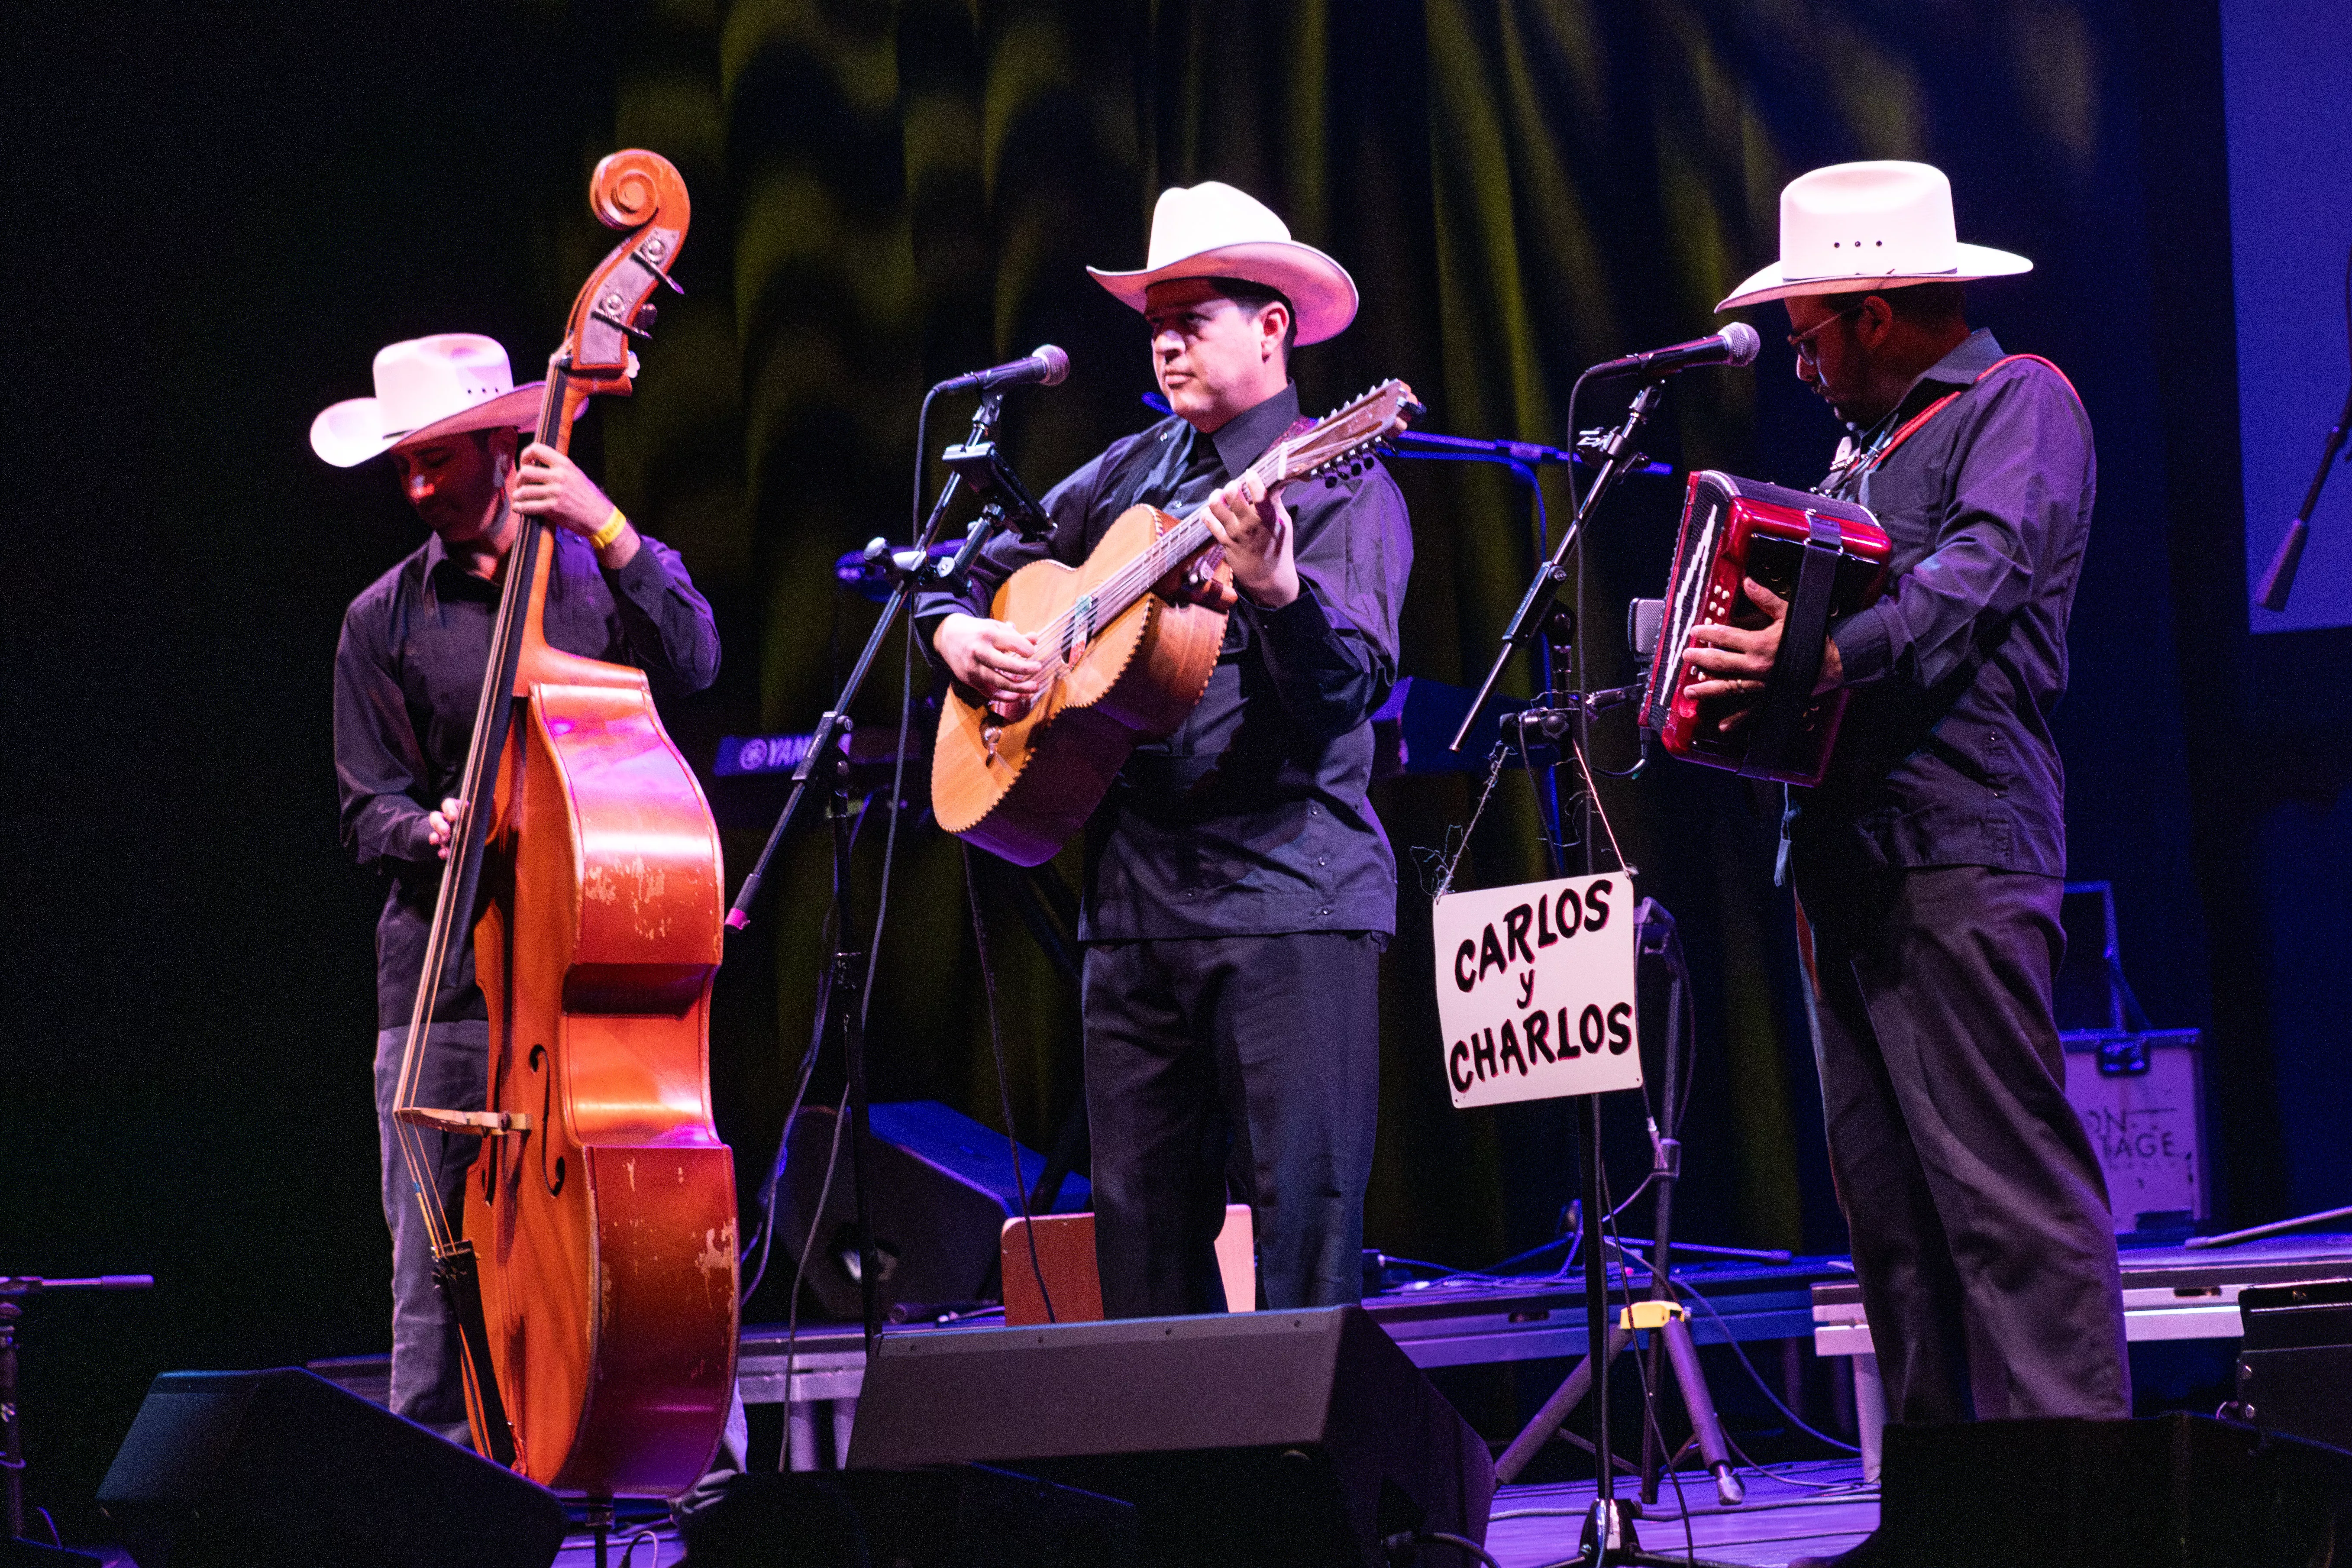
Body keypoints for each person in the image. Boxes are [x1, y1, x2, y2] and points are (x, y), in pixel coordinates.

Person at [1686, 162, 2129, 1554]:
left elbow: (1983, 568)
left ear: (1878, 312)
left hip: (1960, 846)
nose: (1803, 365)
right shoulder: (1859, 455)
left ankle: (2082, 1516)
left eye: (1811, 334)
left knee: (2008, 1203)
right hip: (1846, 869)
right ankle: (1943, 1517)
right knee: (1897, 1227)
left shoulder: (2022, 404)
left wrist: (1825, 653)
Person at [918, 183, 1413, 1317]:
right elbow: (964, 559)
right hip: (1135, 913)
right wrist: (956, 630)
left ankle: (1306, 1493)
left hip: (1291, 900)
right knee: (1140, 1256)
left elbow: (1346, 695)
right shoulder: (1125, 473)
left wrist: (1281, 589)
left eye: (1193, 314)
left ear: (1274, 325)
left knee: (1304, 1240)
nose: (1167, 340)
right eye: (1154, 321)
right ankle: (1182, 1497)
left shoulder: (1343, 480)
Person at [317, 333, 723, 1444]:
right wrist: (427, 826)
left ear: (506, 444)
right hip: (443, 988)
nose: (416, 488)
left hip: (587, 990)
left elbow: (696, 660)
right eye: (403, 468)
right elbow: (368, 807)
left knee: (598, 1279)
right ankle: (432, 1522)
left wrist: (609, 522)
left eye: (436, 461)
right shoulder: (379, 619)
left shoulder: (597, 569)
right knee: (431, 1294)